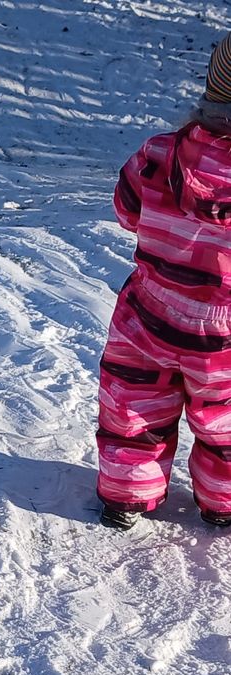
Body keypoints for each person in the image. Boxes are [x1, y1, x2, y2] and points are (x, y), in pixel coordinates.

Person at [97, 34, 231, 529]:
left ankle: (126, 495)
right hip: (226, 340)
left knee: (133, 405)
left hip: (150, 314)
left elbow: (126, 211)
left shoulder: (158, 154)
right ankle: (223, 505)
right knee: (227, 422)